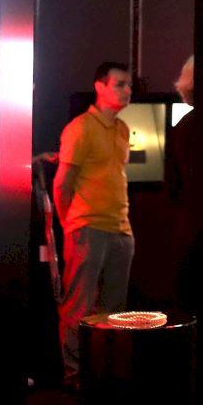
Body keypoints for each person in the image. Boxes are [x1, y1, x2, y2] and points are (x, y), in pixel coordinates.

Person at [54, 62, 135, 386]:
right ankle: (74, 373)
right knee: (80, 305)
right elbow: (62, 183)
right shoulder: (81, 128)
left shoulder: (122, 129)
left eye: (129, 85)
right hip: (87, 226)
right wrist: (70, 224)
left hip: (121, 228)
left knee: (114, 308)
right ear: (99, 86)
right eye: (119, 84)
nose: (127, 91)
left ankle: (105, 371)